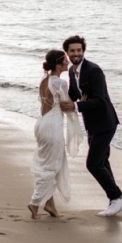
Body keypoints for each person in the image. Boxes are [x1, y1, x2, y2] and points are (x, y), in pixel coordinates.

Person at [60, 35, 122, 217]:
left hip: (105, 123)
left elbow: (100, 100)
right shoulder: (72, 72)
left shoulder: (94, 71)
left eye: (79, 50)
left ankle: (117, 196)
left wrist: (77, 105)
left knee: (93, 164)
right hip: (92, 123)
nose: (76, 53)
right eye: (72, 51)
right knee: (102, 161)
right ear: (67, 53)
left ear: (83, 51)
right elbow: (74, 94)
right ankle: (115, 199)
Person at [29, 49, 82, 219]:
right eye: (65, 61)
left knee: (50, 162)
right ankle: (35, 202)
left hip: (42, 124)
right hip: (52, 126)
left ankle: (50, 204)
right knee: (51, 166)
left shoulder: (44, 80)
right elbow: (67, 105)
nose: (68, 63)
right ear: (59, 65)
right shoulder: (60, 83)